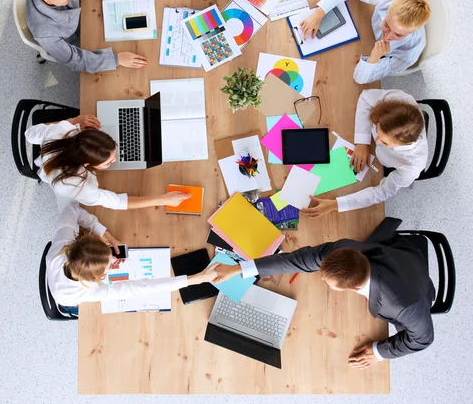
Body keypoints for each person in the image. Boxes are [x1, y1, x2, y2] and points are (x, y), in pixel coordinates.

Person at [213, 236, 435, 368]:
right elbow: (294, 261)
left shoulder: (405, 306)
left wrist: (378, 352)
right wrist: (238, 269)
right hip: (397, 254)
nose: (320, 279)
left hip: (417, 282)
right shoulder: (342, 252)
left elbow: (423, 339)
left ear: (353, 289)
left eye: (328, 283)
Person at [46, 201, 219, 313]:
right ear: (98, 278)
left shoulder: (63, 243)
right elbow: (143, 287)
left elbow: (72, 208)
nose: (115, 260)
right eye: (110, 266)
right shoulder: (91, 292)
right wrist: (198, 278)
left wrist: (109, 237)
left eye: (109, 253)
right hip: (66, 302)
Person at [303, 89, 427, 218]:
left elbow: (381, 193)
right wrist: (362, 142)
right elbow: (365, 97)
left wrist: (335, 205)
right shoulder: (400, 100)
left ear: (406, 144)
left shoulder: (412, 167)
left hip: (381, 166)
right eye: (377, 129)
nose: (377, 141)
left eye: (385, 142)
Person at [25, 115, 190, 211]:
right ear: (86, 164)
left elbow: (30, 134)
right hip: (57, 180)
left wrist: (75, 120)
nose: (116, 160)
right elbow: (117, 202)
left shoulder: (62, 130)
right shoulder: (77, 186)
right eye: (109, 162)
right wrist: (162, 200)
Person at [22, 0, 147, 73]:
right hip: (73, 40)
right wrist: (116, 59)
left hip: (80, 20)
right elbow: (74, 60)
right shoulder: (44, 32)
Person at [300, 0, 431, 83]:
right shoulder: (389, 0)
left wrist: (375, 56)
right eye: (387, 25)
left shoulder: (406, 56)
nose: (388, 36)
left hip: (375, 51)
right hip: (364, 32)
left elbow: (360, 79)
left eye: (398, 35)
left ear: (410, 33)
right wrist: (319, 12)